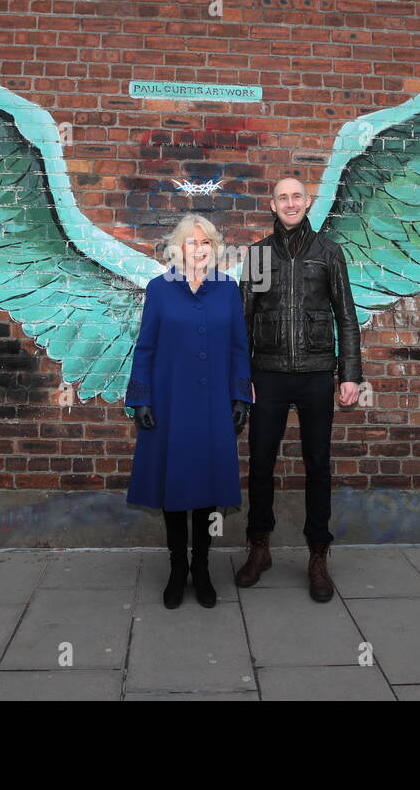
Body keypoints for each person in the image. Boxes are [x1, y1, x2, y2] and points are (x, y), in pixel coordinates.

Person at [237, 177, 362, 602]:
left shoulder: (329, 253)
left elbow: (346, 316)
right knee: (260, 465)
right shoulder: (256, 255)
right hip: (267, 374)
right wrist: (241, 379)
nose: (290, 204)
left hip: (315, 373)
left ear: (307, 203)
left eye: (296, 197)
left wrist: (350, 374)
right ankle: (259, 547)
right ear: (271, 204)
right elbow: (242, 321)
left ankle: (318, 555)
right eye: (282, 197)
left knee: (318, 465)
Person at [125, 214, 253, 608]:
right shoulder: (160, 290)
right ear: (178, 249)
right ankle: (177, 568)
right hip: (170, 402)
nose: (199, 250)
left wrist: (239, 396)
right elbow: (145, 347)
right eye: (191, 243)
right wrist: (141, 398)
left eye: (206, 243)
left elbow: (237, 347)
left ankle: (202, 567)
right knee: (174, 487)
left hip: (213, 404)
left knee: (205, 490)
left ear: (215, 249)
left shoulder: (227, 289)